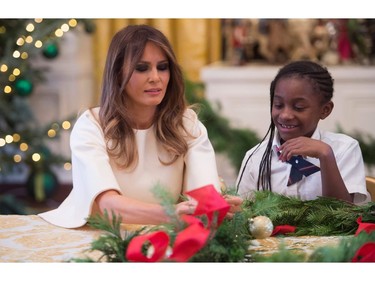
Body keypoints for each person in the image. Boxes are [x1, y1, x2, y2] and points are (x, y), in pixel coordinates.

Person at [39, 24, 242, 228]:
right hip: (100, 233)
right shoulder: (91, 126)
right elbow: (106, 205)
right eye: (141, 68)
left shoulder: (186, 123)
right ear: (118, 74)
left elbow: (204, 192)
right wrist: (169, 213)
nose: (155, 77)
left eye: (162, 67)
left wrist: (214, 206)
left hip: (168, 229)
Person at [236, 60, 370, 205]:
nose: (285, 115)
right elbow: (241, 215)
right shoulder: (255, 158)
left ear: (325, 110)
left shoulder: (344, 150)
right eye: (278, 105)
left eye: (299, 107)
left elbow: (346, 218)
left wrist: (326, 156)